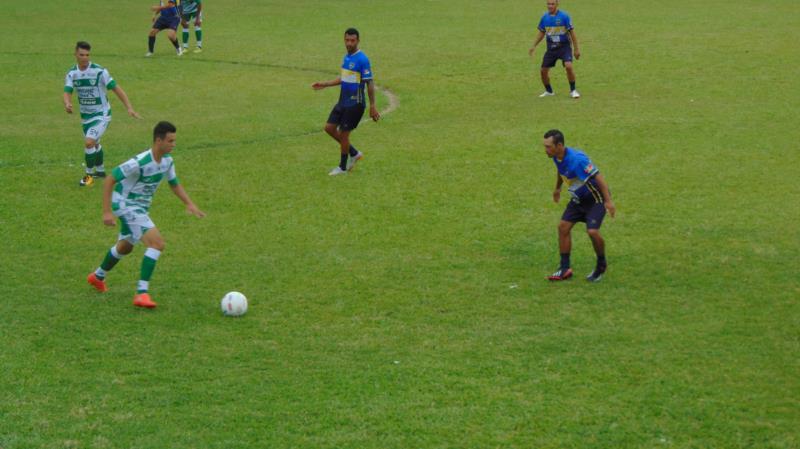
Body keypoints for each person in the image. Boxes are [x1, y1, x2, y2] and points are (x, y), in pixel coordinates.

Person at [87, 121, 206, 308]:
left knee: (126, 247)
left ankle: (97, 276)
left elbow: (174, 183)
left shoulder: (167, 161)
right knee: (157, 243)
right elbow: (110, 179)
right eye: (170, 141)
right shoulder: (139, 162)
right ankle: (142, 293)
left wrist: (189, 204)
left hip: (140, 208)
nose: (173, 144)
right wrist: (107, 212)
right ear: (158, 140)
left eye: (174, 141)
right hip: (126, 204)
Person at [63, 41, 142, 186]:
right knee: (95, 143)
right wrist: (67, 103)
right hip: (86, 116)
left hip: (102, 114)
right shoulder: (72, 73)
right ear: (75, 54)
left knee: (89, 142)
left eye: (87, 55)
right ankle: (100, 171)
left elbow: (117, 89)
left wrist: (129, 108)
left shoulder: (99, 72)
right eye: (82, 55)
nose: (85, 58)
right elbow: (67, 91)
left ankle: (89, 175)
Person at [543, 129, 615, 282]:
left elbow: (598, 177)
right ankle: (564, 268)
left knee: (593, 232)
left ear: (559, 145)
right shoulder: (557, 156)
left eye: (548, 146)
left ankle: (601, 264)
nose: (546, 150)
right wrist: (557, 188)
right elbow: (561, 170)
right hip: (579, 199)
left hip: (596, 198)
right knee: (563, 227)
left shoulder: (578, 160)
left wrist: (608, 201)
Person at [312, 28, 380, 176]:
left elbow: (370, 83)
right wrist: (325, 84)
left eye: (352, 40)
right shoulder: (346, 57)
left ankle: (342, 167)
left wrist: (373, 106)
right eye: (347, 40)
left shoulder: (362, 59)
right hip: (343, 101)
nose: (349, 43)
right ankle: (354, 153)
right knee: (329, 128)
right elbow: (344, 78)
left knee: (343, 134)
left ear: (358, 40)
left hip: (355, 103)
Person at [528, 0, 581, 98]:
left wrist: (576, 49)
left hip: (564, 47)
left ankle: (573, 90)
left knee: (568, 66)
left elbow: (572, 33)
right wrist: (533, 46)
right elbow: (542, 32)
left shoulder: (564, 16)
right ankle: (549, 91)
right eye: (548, 4)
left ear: (557, 4)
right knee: (543, 71)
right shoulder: (544, 17)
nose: (550, 6)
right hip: (551, 49)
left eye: (552, 4)